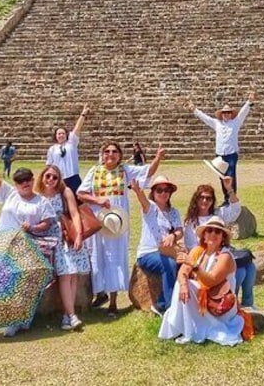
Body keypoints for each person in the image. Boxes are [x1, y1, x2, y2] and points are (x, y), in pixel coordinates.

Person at [0, 146, 56, 337]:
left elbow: (47, 223)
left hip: (25, 244)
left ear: (33, 180)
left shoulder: (41, 202)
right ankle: (6, 317)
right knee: (0, 283)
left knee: (22, 283)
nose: (25, 183)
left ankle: (21, 319)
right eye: (20, 181)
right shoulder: (10, 194)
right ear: (15, 183)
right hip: (1, 243)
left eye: (28, 179)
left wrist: (32, 227)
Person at [78, 140, 165, 315]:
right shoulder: (94, 171)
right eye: (107, 151)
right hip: (99, 219)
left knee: (115, 257)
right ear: (102, 154)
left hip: (117, 220)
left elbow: (148, 171)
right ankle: (99, 294)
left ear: (119, 155)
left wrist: (157, 158)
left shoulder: (125, 171)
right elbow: (80, 193)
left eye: (114, 151)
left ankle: (113, 301)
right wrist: (98, 200)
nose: (111, 154)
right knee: (98, 255)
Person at [159, 217, 246, 345]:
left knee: (190, 284)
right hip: (203, 300)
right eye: (209, 230)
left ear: (223, 237)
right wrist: (183, 284)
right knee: (182, 284)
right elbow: (182, 272)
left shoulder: (225, 256)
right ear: (204, 235)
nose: (213, 234)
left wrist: (194, 266)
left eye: (217, 232)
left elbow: (212, 281)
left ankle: (188, 330)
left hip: (219, 304)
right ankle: (182, 327)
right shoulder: (199, 251)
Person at [183, 176, 255, 308]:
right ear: (196, 199)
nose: (205, 201)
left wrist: (229, 189)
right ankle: (229, 300)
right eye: (201, 197)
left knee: (250, 266)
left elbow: (236, 209)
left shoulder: (218, 213)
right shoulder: (191, 222)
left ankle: (248, 303)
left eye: (208, 198)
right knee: (240, 272)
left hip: (222, 251)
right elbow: (193, 249)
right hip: (206, 258)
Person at [35, 164, 90, 332]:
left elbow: (74, 214)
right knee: (66, 275)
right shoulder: (38, 195)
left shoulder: (65, 193)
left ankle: (68, 316)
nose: (51, 179)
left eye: (55, 177)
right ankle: (71, 316)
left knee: (71, 275)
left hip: (66, 235)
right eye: (48, 176)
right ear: (42, 177)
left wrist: (79, 234)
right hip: (49, 238)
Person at [185, 91, 254, 197]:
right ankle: (226, 198)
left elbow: (243, 113)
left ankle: (232, 197)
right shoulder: (217, 123)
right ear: (222, 114)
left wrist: (249, 101)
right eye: (225, 113)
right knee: (221, 176)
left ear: (231, 114)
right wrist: (195, 109)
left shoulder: (235, 122)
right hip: (220, 155)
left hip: (231, 154)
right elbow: (205, 118)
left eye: (228, 112)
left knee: (230, 176)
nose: (226, 114)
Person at [132, 175, 183, 317]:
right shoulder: (151, 208)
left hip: (167, 251)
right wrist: (138, 191)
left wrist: (173, 236)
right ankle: (169, 308)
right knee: (170, 265)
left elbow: (180, 230)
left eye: (166, 190)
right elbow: (143, 201)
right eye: (159, 190)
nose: (163, 193)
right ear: (153, 192)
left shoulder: (174, 212)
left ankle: (162, 304)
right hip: (148, 253)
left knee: (186, 264)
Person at [46, 104, 89, 194]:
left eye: (63, 133)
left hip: (73, 177)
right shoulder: (52, 149)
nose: (61, 135)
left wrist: (83, 114)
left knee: (79, 202)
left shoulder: (71, 143)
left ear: (67, 135)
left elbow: (77, 129)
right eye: (59, 133)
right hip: (59, 178)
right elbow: (49, 166)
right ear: (55, 136)